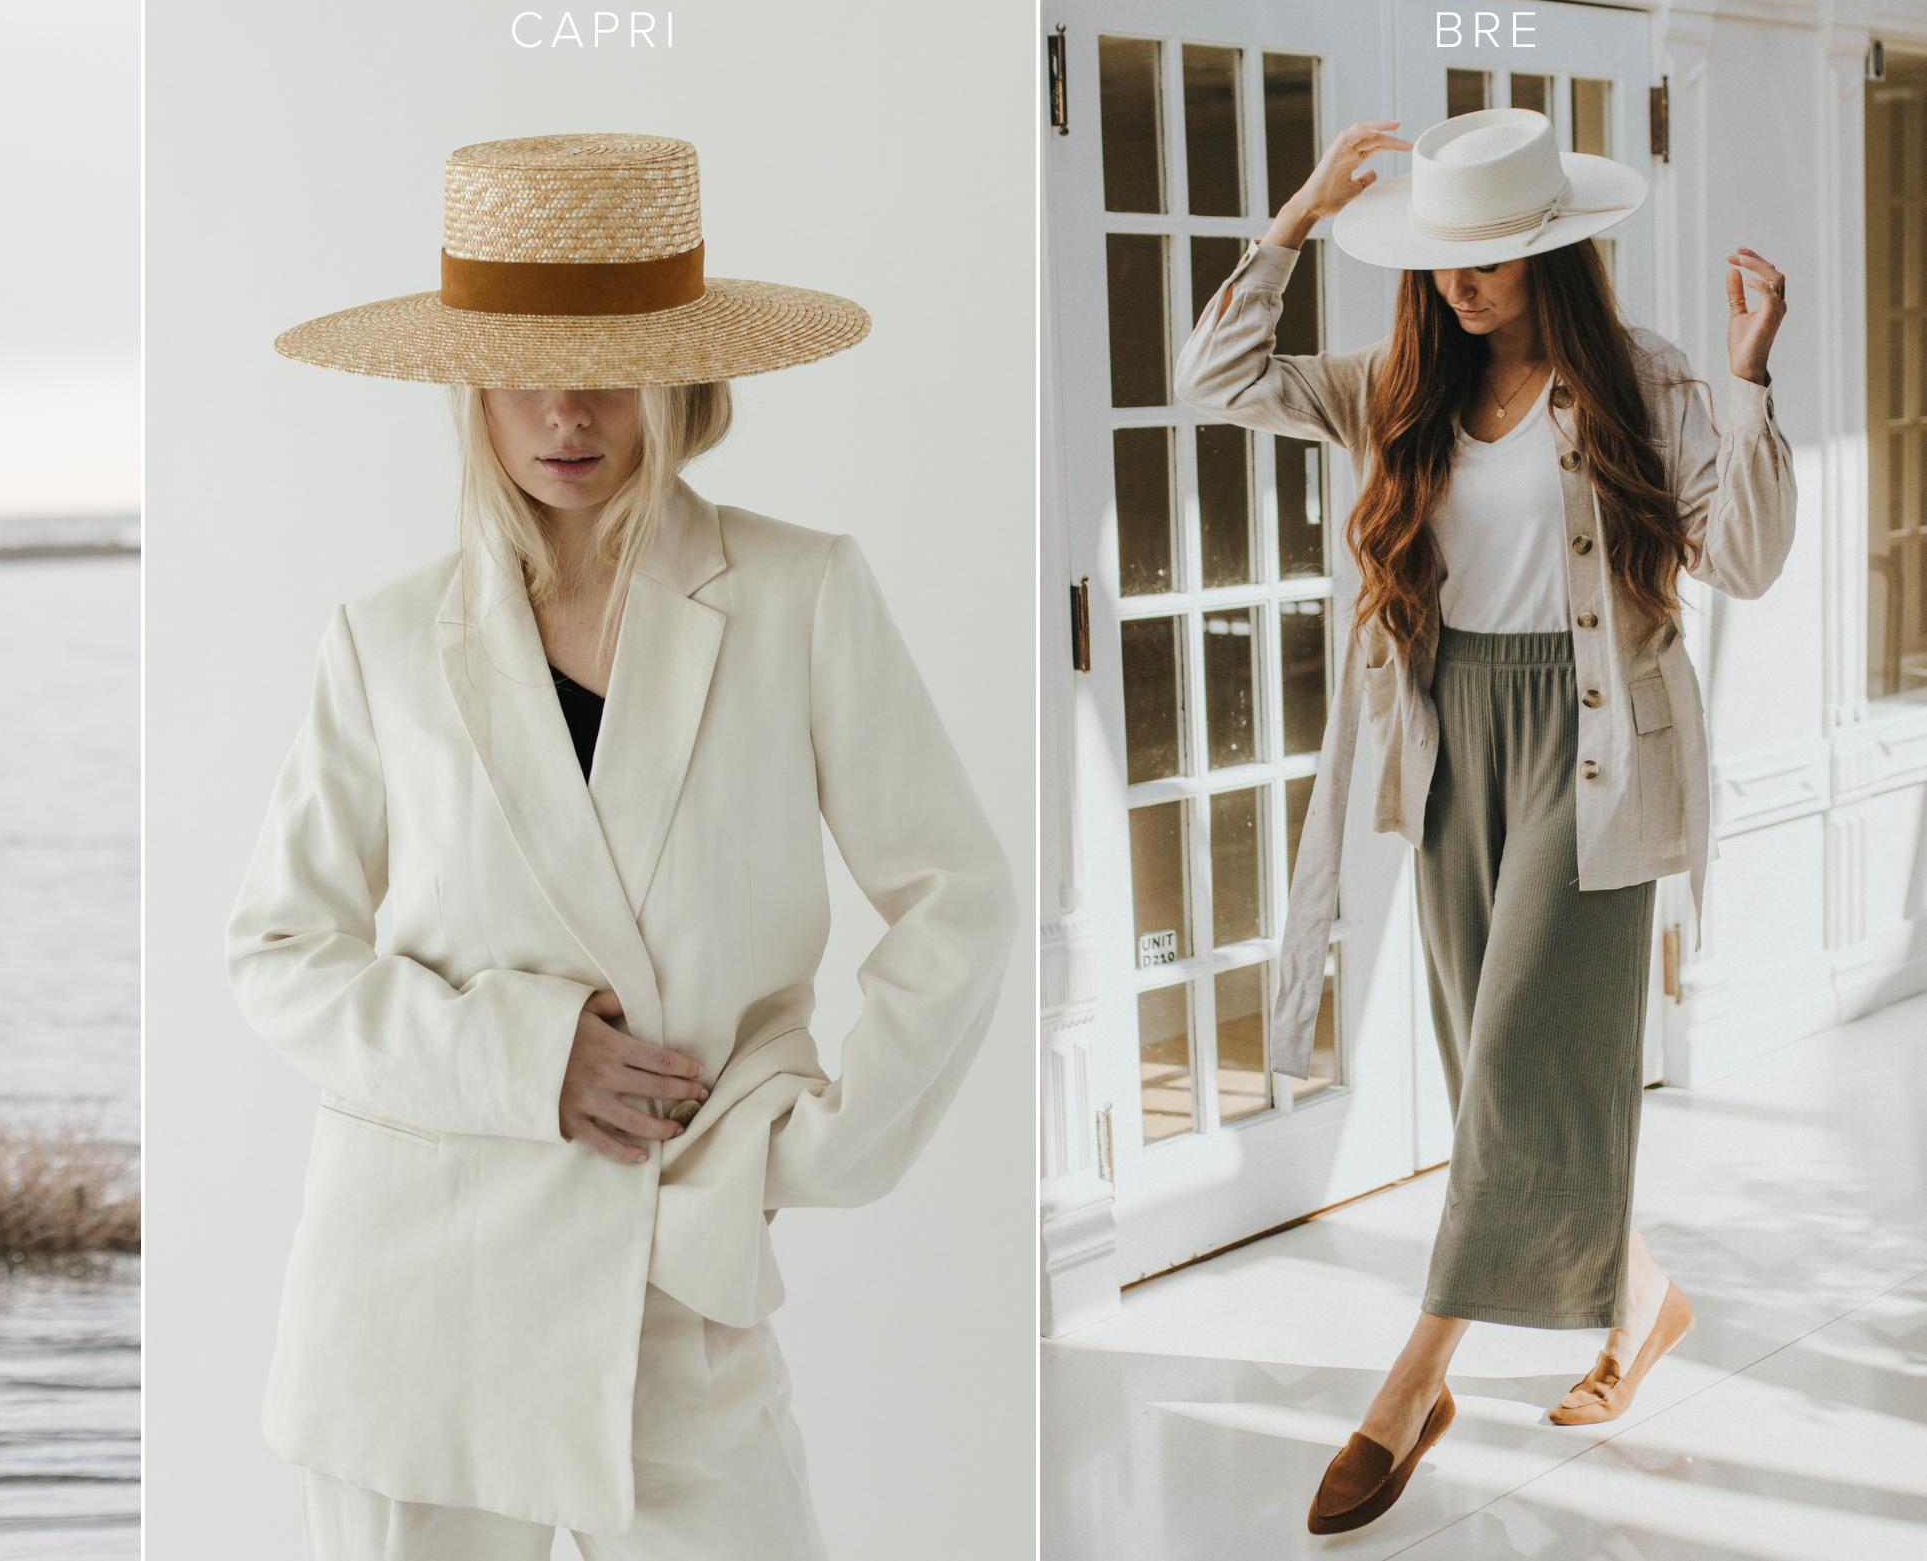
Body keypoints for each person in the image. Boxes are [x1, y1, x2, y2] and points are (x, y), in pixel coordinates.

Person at [228, 132, 1021, 1556]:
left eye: (608, 360)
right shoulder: (389, 638)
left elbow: (954, 893)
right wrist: (532, 1059)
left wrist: (818, 1146)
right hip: (417, 1288)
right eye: (524, 366)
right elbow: (278, 954)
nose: (566, 407)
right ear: (464, 385)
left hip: (681, 1272)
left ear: (681, 371)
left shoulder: (798, 591)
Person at [1174, 107, 1795, 1535]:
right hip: (1454, 747)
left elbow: (1746, 557)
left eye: (1495, 258)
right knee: (1498, 1084)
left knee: (1519, 1062)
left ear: (1554, 253)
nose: (1462, 283)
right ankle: (1642, 1301)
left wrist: (1752, 379)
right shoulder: (1394, 385)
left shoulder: (1639, 381)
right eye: (1443, 258)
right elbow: (1212, 376)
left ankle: (1412, 1383)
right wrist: (1296, 213)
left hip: (1593, 760)